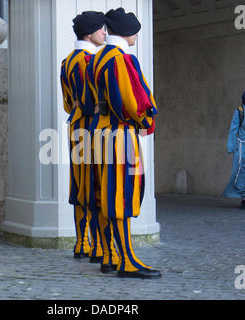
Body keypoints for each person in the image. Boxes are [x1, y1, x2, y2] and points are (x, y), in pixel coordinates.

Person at [84, 7, 161, 279]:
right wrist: (144, 120)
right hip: (120, 134)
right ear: (127, 32)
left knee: (105, 195)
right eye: (135, 31)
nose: (137, 35)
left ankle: (110, 256)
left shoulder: (95, 59)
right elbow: (132, 102)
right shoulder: (120, 59)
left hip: (97, 133)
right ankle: (126, 261)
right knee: (121, 196)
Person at [60, 11, 119, 270]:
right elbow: (90, 101)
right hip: (92, 127)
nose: (105, 34)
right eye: (100, 30)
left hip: (76, 126)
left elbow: (67, 103)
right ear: (88, 33)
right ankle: (96, 246)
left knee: (79, 183)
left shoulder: (66, 61)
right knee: (95, 185)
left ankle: (81, 243)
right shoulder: (89, 61)